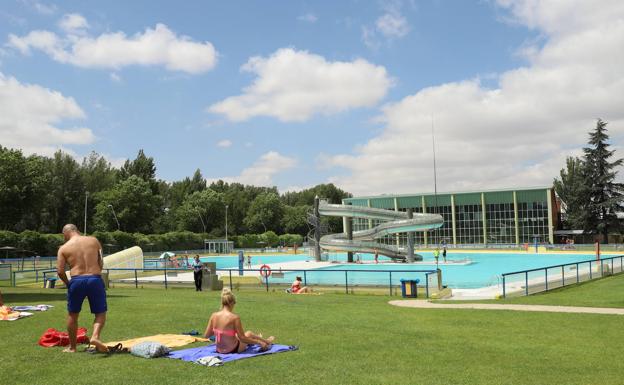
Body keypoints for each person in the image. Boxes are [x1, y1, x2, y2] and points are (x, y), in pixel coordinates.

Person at [56, 224, 108, 353]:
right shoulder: (94, 240)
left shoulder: (63, 248)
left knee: (73, 315)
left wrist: (68, 284)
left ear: (65, 234)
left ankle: (72, 347)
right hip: (95, 278)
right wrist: (96, 273)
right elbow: (101, 261)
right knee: (100, 312)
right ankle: (95, 337)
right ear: (76, 230)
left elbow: (60, 271)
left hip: (77, 280)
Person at [204, 288, 274, 353]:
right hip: (232, 349)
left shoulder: (214, 315)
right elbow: (242, 338)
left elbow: (206, 335)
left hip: (219, 350)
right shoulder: (234, 317)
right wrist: (259, 342)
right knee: (248, 334)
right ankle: (266, 341)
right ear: (231, 303)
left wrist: (219, 331)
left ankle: (266, 341)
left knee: (246, 334)